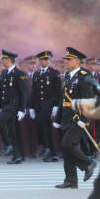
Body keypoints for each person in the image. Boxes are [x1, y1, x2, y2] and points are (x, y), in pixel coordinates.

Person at [53, 47, 96, 189]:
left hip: (78, 119)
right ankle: (71, 179)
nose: (65, 61)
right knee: (66, 151)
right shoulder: (68, 76)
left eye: (68, 59)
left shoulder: (84, 76)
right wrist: (58, 119)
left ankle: (88, 163)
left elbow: (89, 99)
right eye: (65, 59)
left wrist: (84, 119)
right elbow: (63, 99)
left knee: (67, 144)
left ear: (77, 61)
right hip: (67, 118)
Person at [0, 50, 27, 164]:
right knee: (13, 131)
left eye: (3, 59)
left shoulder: (19, 73)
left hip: (14, 105)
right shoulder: (4, 72)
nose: (2, 61)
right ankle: (18, 156)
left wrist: (22, 109)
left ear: (8, 60)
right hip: (5, 105)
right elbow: (0, 92)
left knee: (0, 120)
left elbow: (24, 93)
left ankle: (7, 143)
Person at [29, 51, 61, 162]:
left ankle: (45, 146)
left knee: (41, 121)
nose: (47, 61)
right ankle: (53, 153)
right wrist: (31, 107)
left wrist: (56, 106)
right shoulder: (36, 73)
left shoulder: (54, 73)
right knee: (48, 128)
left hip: (50, 105)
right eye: (45, 59)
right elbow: (34, 91)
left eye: (48, 59)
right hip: (40, 105)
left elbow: (58, 91)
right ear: (40, 61)